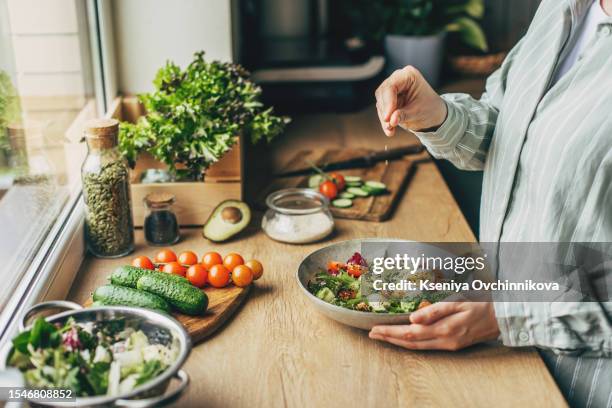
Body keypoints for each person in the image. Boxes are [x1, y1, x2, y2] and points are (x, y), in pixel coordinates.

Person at [371, 0, 612, 406]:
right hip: (500, 357)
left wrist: (510, 314)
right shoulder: (564, 7)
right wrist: (437, 114)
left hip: (583, 385)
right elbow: (511, 134)